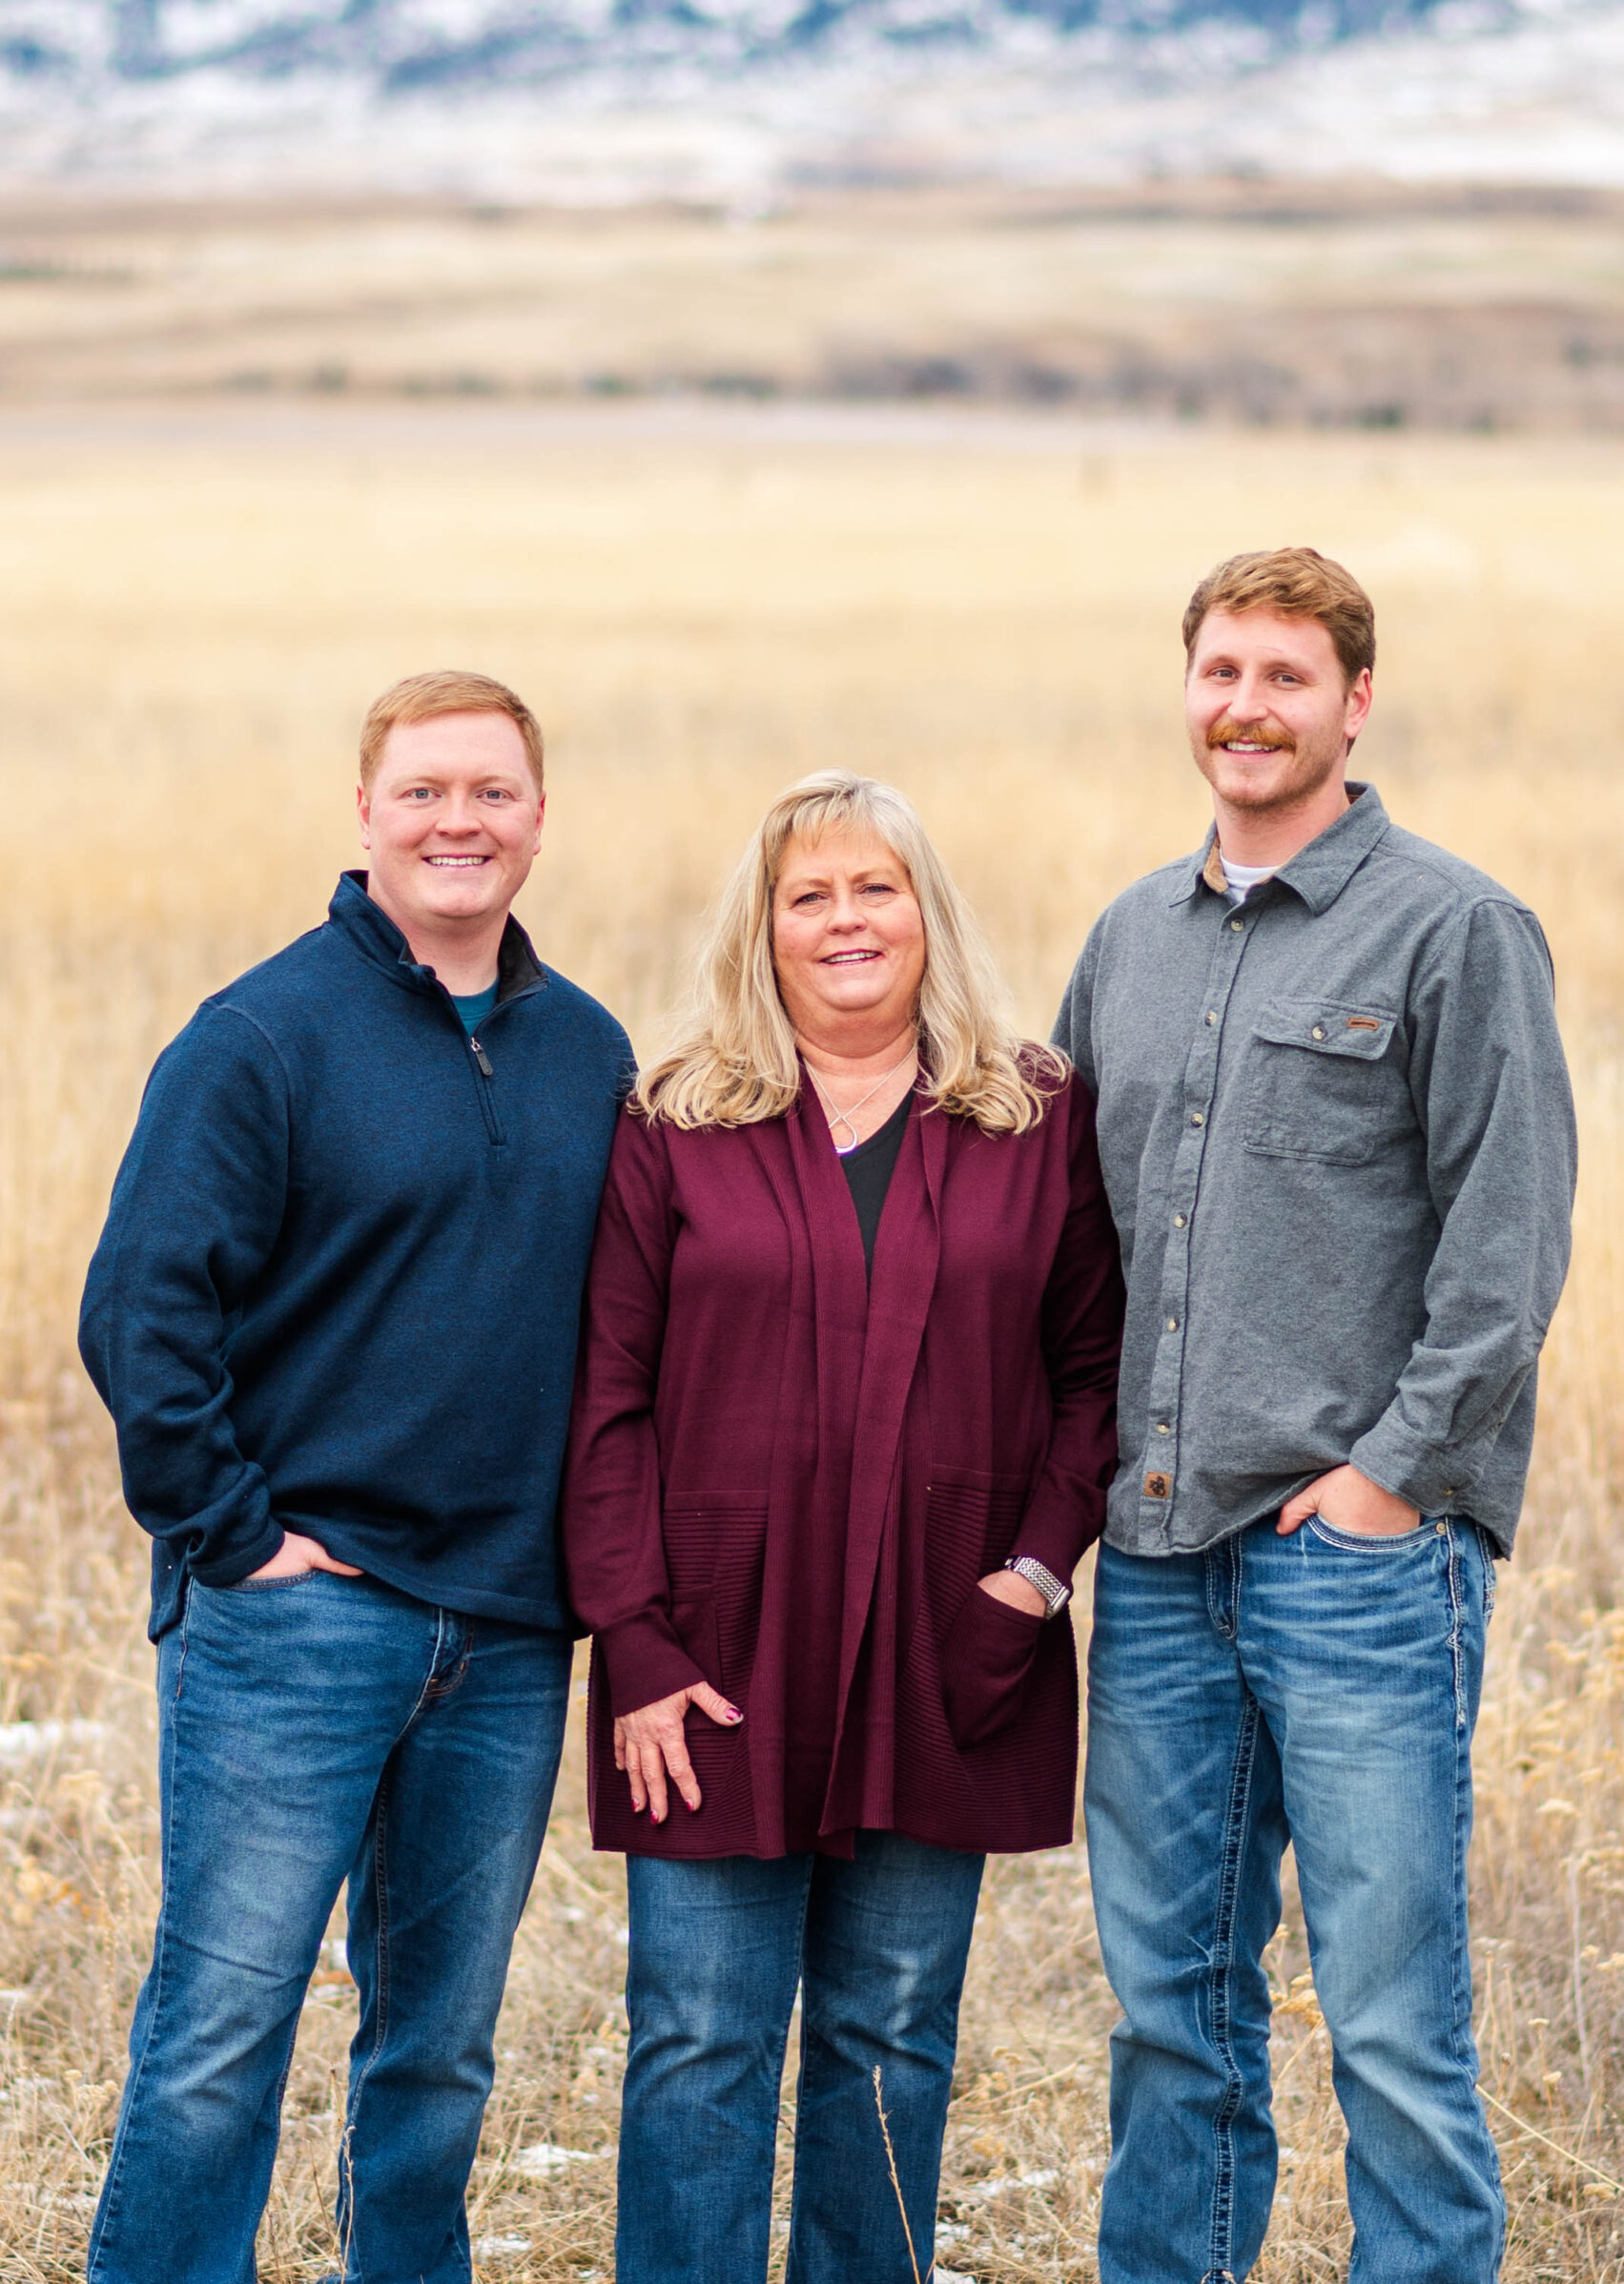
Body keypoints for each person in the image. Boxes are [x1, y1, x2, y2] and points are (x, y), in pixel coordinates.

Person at [1054, 546, 1577, 2284]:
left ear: (1357, 701)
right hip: (1156, 1554)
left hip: (1356, 1559)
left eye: (1287, 678)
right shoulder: (1130, 938)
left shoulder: (1456, 928)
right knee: (1172, 2017)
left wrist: (1386, 1482)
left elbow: (1506, 1252)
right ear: (1185, 687)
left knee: (1392, 2025)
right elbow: (1071, 1247)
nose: (1246, 708)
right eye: (1221, 672)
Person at [78, 671, 632, 2284]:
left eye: (493, 793)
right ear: (367, 814)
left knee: (440, 2051)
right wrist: (232, 1535)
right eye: (424, 792)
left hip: (509, 1634)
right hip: (298, 1623)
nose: (459, 822)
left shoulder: (586, 1050)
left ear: (538, 817)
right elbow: (140, 1310)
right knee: (220, 2035)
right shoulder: (261, 1038)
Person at [562, 770, 1123, 2284]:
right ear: (765, 928)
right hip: (711, 1656)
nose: (845, 920)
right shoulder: (676, 1117)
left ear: (925, 913)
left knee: (889, 2041)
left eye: (875, 887)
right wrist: (634, 1640)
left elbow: (1094, 1371)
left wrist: (1030, 1572)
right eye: (809, 894)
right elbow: (605, 1394)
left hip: (954, 1640)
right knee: (697, 2043)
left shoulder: (1030, 1111)